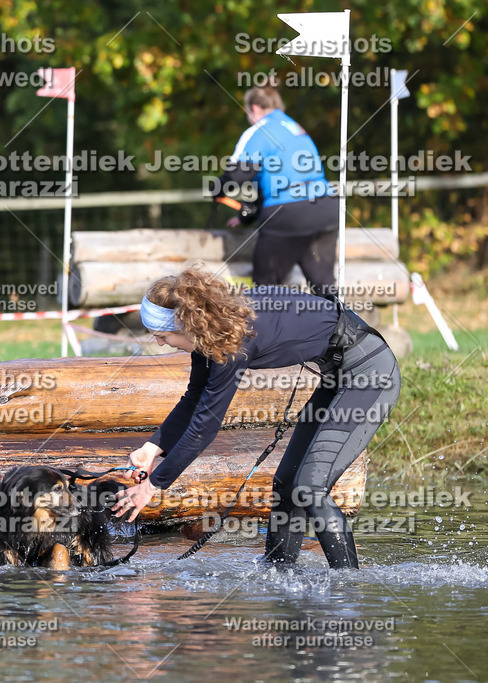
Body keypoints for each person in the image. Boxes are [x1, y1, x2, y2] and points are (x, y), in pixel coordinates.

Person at [113, 267, 400, 569]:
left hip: (371, 374)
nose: (160, 343)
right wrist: (152, 448)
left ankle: (348, 587)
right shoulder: (211, 329)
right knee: (286, 483)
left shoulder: (231, 342)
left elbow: (204, 427)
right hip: (339, 374)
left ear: (187, 324)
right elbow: (193, 400)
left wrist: (152, 486)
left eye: (163, 335)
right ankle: (277, 570)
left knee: (311, 488)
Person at [217, 85, 338, 298]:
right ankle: (345, 329)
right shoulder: (293, 126)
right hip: (325, 206)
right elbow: (282, 176)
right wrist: (250, 214)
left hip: (290, 211)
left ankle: (265, 329)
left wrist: (216, 187)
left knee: (265, 289)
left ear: (253, 108)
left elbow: (239, 175)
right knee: (325, 288)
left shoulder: (259, 129)